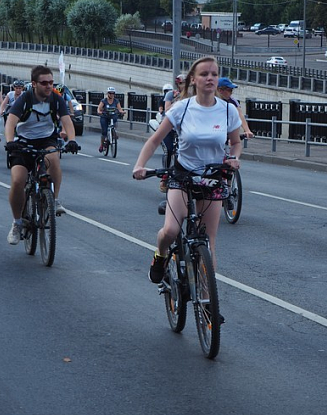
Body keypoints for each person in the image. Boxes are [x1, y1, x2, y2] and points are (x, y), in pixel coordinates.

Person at [132, 56, 242, 285]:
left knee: (208, 242)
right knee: (171, 231)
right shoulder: (182, 108)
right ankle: (160, 256)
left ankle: (207, 305)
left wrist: (233, 158)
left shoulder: (228, 110)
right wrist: (139, 165)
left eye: (214, 74)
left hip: (212, 177)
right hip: (183, 175)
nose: (210, 78)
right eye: (204, 74)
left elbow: (236, 142)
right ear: (194, 79)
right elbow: (154, 141)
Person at [4, 65, 79, 245]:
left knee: (53, 159)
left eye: (51, 82)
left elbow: (66, 121)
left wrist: (72, 140)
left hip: (46, 140)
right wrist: (9, 142)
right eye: (44, 83)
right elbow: (10, 123)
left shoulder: (56, 99)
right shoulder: (25, 99)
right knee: (17, 180)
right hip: (23, 142)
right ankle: (17, 222)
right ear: (34, 84)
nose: (48, 86)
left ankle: (54, 200)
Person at [97, 87, 125, 152]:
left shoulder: (116, 101)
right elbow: (99, 108)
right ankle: (102, 144)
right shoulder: (104, 101)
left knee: (115, 122)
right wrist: (99, 111)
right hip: (105, 116)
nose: (112, 94)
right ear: (108, 94)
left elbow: (119, 108)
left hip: (113, 116)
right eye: (110, 93)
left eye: (113, 93)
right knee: (104, 132)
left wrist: (122, 111)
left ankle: (113, 133)